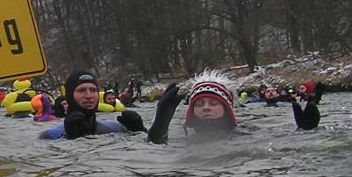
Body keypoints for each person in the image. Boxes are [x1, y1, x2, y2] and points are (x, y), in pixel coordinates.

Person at [147, 70, 323, 145]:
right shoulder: (184, 140)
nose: (206, 107)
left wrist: (305, 132)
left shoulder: (248, 133)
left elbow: (284, 146)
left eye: (214, 103)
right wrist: (160, 125)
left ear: (227, 109)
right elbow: (158, 154)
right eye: (200, 104)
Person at [39, 70, 145, 140]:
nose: (89, 96)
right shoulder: (49, 136)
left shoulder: (117, 128)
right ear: (70, 96)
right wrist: (68, 138)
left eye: (93, 90)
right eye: (81, 90)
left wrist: (140, 131)